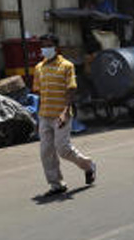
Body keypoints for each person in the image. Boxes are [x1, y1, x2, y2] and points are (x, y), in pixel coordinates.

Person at [32, 33, 96, 196]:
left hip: (61, 114)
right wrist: (37, 117)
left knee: (63, 149)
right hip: (44, 115)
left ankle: (88, 166)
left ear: (56, 48)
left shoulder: (67, 66)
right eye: (43, 46)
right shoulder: (39, 68)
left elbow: (71, 89)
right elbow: (39, 93)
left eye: (48, 45)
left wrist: (65, 111)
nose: (45, 49)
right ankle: (56, 184)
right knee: (46, 152)